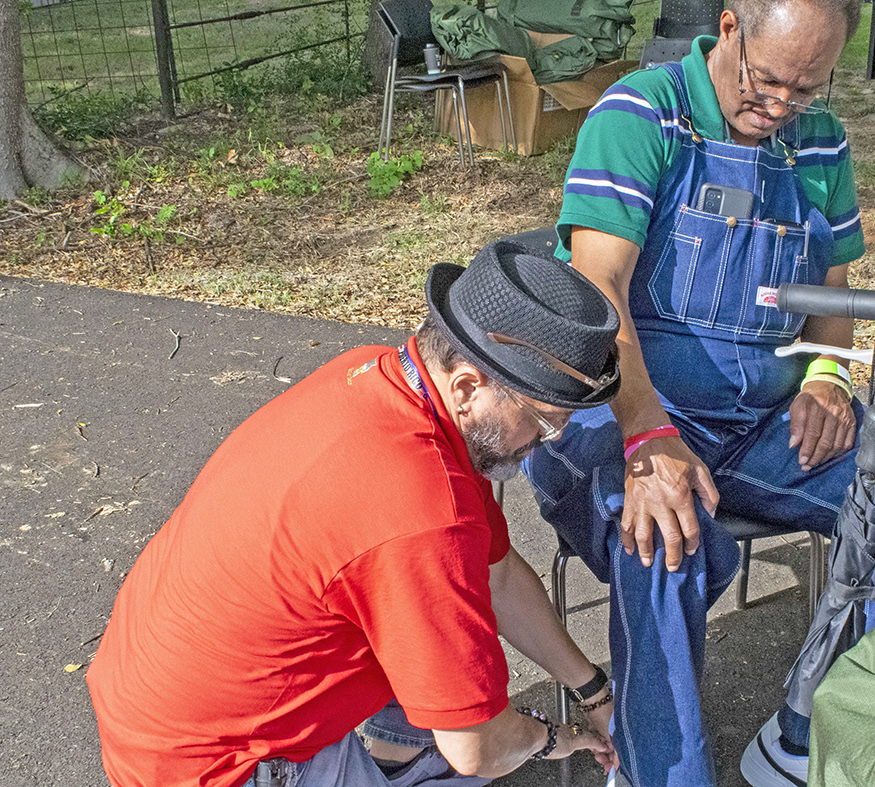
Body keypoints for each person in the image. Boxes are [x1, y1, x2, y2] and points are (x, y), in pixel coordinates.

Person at [87, 242, 625, 787]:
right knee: (476, 735)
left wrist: (592, 691)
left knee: (442, 621)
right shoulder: (423, 512)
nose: (543, 441)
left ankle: (399, 751)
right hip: (224, 766)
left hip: (162, 712)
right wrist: (550, 737)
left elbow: (499, 575)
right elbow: (477, 748)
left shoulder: (377, 377)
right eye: (544, 420)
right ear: (467, 387)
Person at [520, 0, 866, 784]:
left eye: (805, 91)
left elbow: (837, 289)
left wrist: (827, 376)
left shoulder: (821, 142)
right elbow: (598, 294)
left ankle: (823, 732)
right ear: (730, 24)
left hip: (763, 426)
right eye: (768, 81)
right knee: (660, 536)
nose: (779, 108)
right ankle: (657, 772)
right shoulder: (642, 116)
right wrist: (648, 436)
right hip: (618, 413)